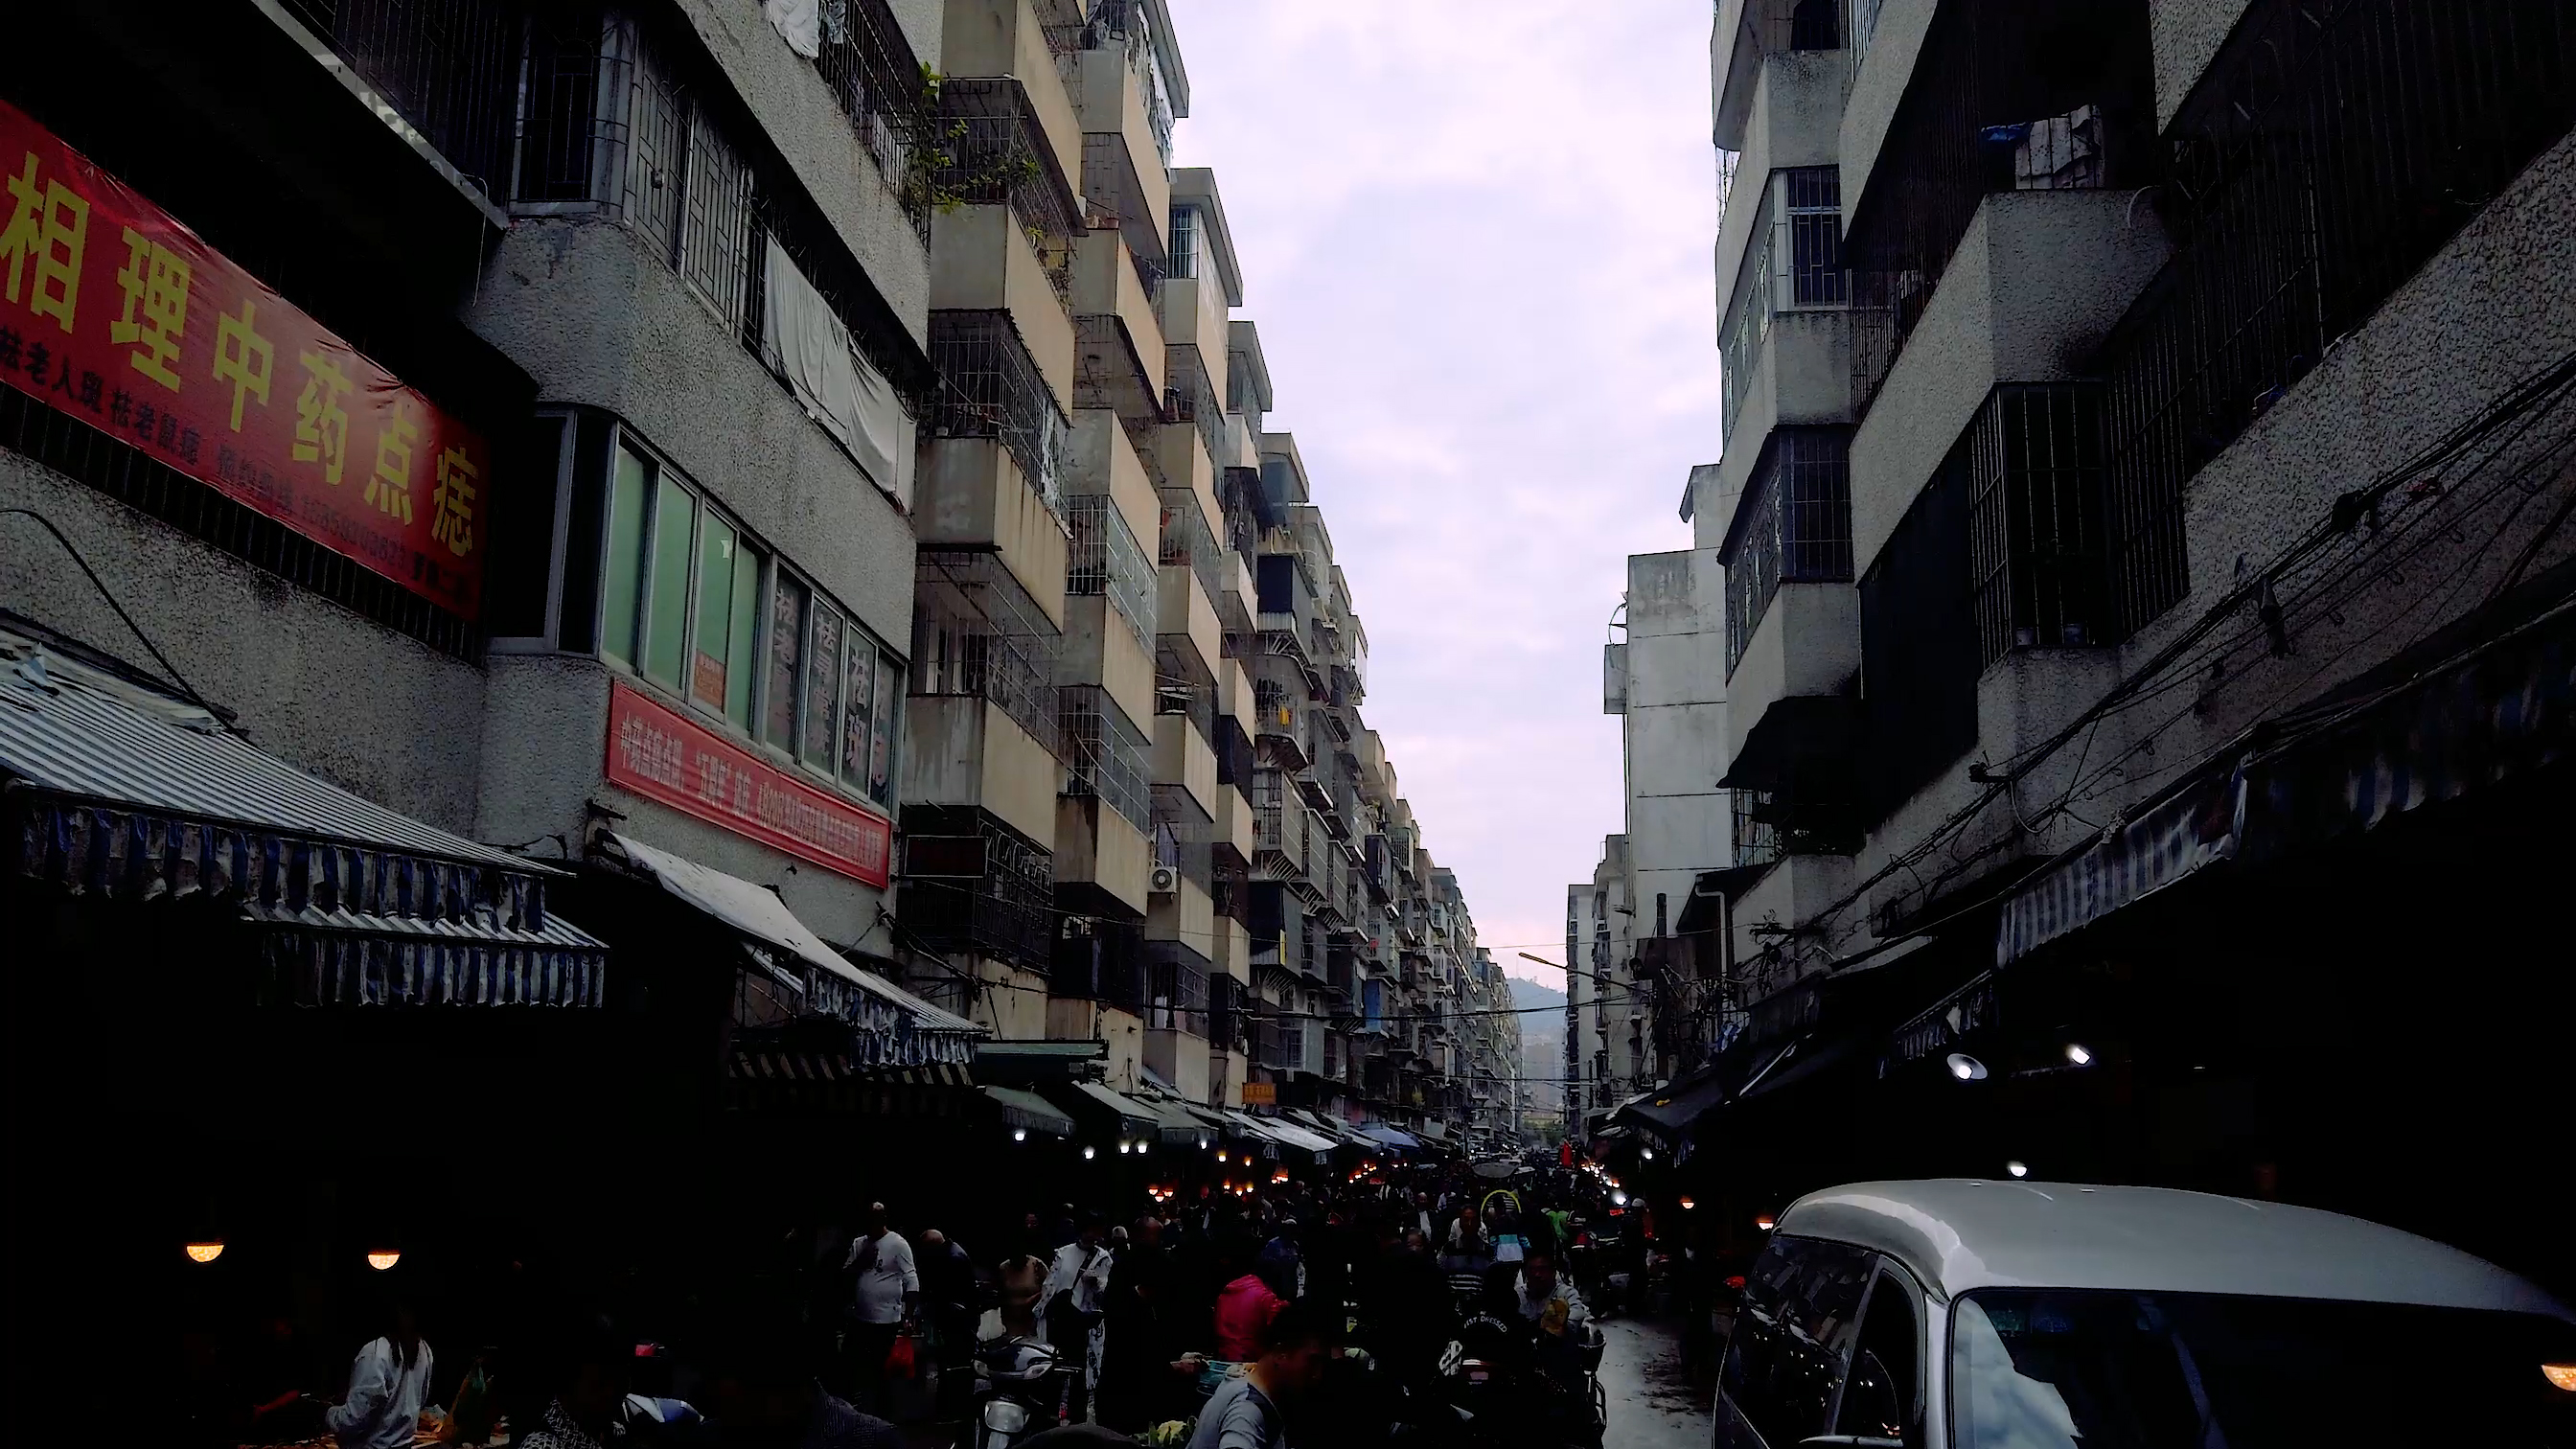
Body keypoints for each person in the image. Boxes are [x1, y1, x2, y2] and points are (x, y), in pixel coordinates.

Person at [1184, 1296, 1338, 1449]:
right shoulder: (1248, 1408)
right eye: (1312, 1362)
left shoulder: (1246, 1379)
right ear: (1280, 1353)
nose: (1317, 1374)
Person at [324, 1294, 435, 1449]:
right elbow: (419, 1401)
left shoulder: (375, 1353)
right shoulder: (424, 1349)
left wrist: (328, 1413)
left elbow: (354, 1419)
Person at [840, 1202, 920, 1416]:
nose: (870, 1226)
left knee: (881, 1372)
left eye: (874, 1221)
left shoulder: (897, 1244)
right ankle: (854, 1412)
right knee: (851, 1366)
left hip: (885, 1320)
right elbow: (845, 1275)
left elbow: (911, 1280)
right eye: (867, 1222)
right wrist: (861, 1262)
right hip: (860, 1317)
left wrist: (909, 1316)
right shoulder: (860, 1243)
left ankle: (884, 1416)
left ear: (883, 1220)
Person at [515, 1312, 632, 1449]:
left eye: (621, 1379)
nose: (612, 1393)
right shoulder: (543, 1445)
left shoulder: (615, 1432)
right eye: (600, 1383)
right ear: (567, 1382)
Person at [1040, 1211, 1115, 1421]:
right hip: (1062, 1324)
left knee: (1080, 1378)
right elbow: (1049, 1288)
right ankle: (1050, 1417)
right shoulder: (1062, 1254)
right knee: (1054, 1373)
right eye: (1091, 1229)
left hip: (1085, 1326)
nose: (1094, 1234)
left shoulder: (1103, 1258)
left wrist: (1097, 1284)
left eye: (1098, 1230)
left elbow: (1107, 1293)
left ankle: (1077, 1421)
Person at [916, 1228, 978, 1421]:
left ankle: (954, 1408)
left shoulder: (953, 1259)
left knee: (955, 1364)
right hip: (958, 1319)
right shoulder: (950, 1253)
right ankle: (951, 1406)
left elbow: (950, 1294)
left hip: (958, 1321)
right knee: (951, 1364)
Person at [1211, 1261, 1286, 1362]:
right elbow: (1282, 1323)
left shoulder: (1225, 1294)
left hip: (1223, 1358)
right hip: (1249, 1361)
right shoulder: (1265, 1297)